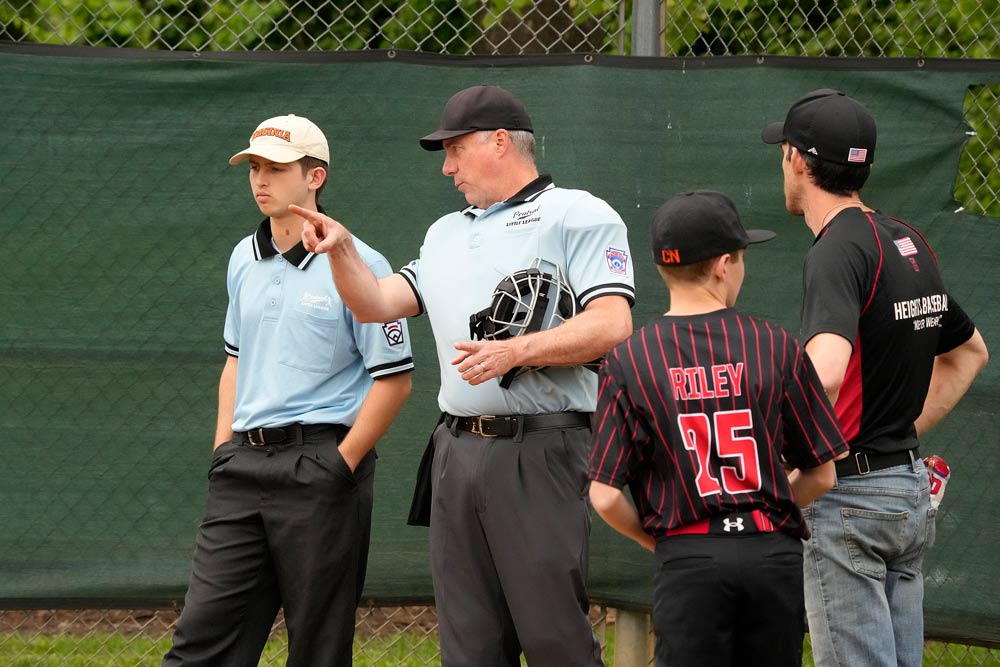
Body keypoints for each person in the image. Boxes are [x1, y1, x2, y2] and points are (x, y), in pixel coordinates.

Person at [292, 85, 635, 666]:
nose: (446, 167)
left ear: (500, 141)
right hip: (456, 450)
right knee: (469, 642)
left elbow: (613, 324)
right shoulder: (445, 232)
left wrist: (516, 351)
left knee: (555, 636)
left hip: (543, 447)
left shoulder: (578, 213)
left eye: (454, 149)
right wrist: (340, 250)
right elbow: (376, 302)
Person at [163, 114, 414, 667]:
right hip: (241, 471)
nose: (260, 179)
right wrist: (222, 450)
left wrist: (339, 465)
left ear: (315, 176)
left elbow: (395, 379)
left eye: (276, 168)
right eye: (254, 167)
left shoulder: (361, 263)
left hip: (321, 468)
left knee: (318, 649)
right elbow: (234, 361)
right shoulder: (240, 259)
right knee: (200, 644)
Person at [761, 89, 990, 667]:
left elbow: (825, 371)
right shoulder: (906, 239)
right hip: (904, 491)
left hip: (849, 500)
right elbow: (971, 354)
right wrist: (898, 429)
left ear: (796, 159)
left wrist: (778, 462)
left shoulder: (836, 249)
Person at [588, 189, 849, 667]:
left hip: (687, 555)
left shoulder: (631, 358)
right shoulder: (772, 343)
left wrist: (665, 540)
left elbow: (604, 495)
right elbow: (823, 474)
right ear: (722, 265)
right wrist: (763, 515)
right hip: (770, 551)